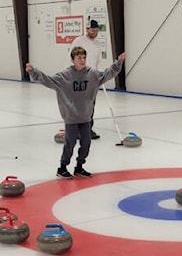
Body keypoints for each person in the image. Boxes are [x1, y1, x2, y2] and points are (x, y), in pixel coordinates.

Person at [26, 45, 125, 178]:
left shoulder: (93, 75)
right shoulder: (64, 77)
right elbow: (46, 80)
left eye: (84, 57)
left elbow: (108, 74)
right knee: (70, 143)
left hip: (86, 118)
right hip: (71, 118)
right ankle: (62, 167)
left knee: (86, 143)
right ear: (73, 60)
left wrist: (118, 63)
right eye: (79, 58)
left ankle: (79, 167)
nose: (82, 60)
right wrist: (33, 72)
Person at [69, 19, 104, 139]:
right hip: (78, 77)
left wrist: (100, 76)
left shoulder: (98, 45)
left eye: (96, 29)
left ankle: (88, 129)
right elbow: (71, 58)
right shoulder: (79, 41)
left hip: (92, 79)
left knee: (90, 105)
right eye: (92, 29)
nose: (94, 31)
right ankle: (76, 130)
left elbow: (99, 61)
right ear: (87, 29)